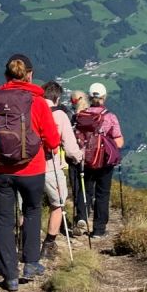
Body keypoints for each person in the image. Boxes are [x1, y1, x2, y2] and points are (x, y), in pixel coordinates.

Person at [0, 54, 60, 291]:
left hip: (1, 169)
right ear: (30, 75)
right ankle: (31, 263)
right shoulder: (38, 102)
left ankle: (10, 275)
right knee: (32, 211)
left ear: (6, 75)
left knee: (3, 219)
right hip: (32, 168)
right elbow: (53, 140)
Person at [76, 82, 126, 239]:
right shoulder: (110, 117)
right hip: (104, 161)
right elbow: (119, 142)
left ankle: (81, 218)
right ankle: (99, 229)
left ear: (89, 97)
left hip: (85, 159)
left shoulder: (81, 116)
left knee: (85, 190)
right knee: (102, 193)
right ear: (104, 97)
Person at [41, 81, 82, 260]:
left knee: (29, 206)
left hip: (28, 168)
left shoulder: (31, 110)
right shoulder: (60, 115)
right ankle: (48, 244)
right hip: (51, 167)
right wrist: (78, 157)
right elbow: (70, 148)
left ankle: (24, 243)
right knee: (57, 205)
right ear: (57, 98)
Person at [68, 90, 90, 232]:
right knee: (87, 187)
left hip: (73, 157)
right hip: (90, 157)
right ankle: (84, 214)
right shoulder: (92, 116)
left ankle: (79, 216)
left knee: (76, 187)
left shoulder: (73, 118)